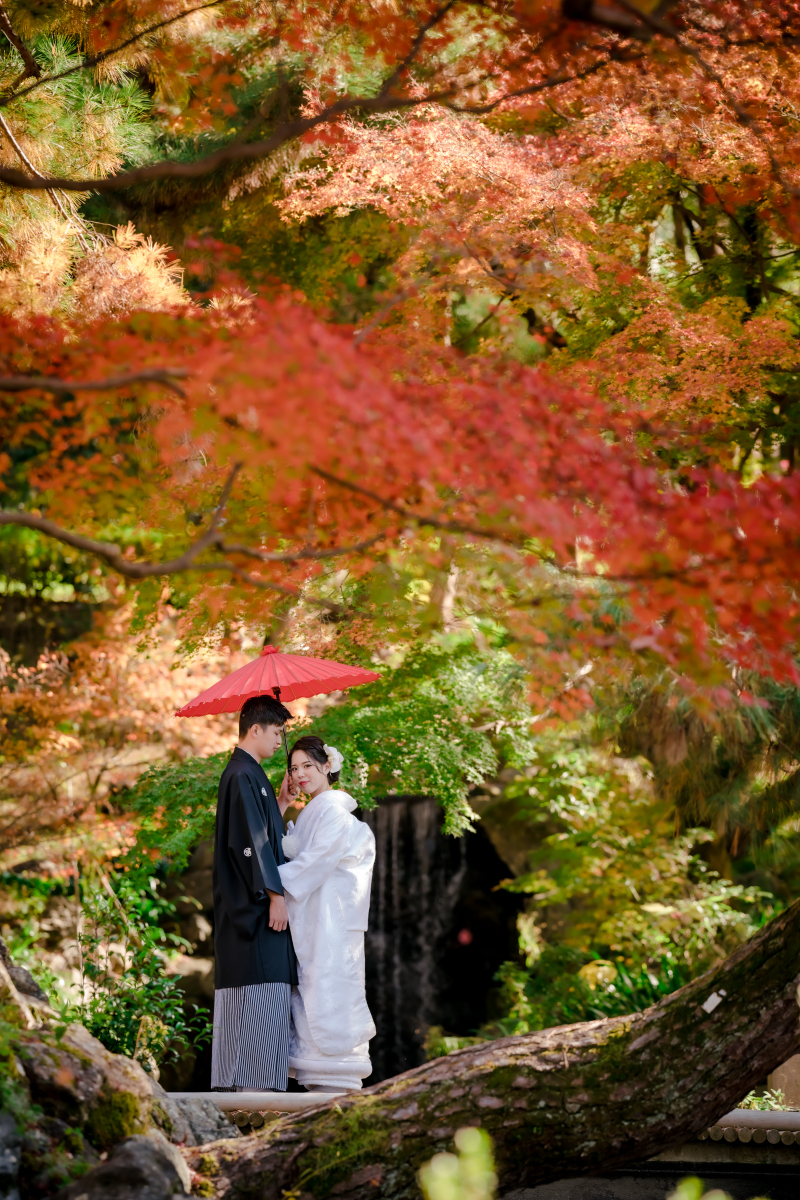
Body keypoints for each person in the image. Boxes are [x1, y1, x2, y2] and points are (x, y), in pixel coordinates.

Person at [210, 693, 298, 1092]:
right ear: (256, 729)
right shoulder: (242, 774)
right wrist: (275, 895)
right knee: (263, 989)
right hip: (256, 908)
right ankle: (254, 1092)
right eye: (276, 732)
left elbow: (259, 830)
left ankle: (244, 1090)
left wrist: (281, 801)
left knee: (255, 993)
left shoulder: (248, 772)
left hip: (252, 904)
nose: (280, 740)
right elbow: (251, 843)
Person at [279, 735, 376, 1092]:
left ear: (327, 766)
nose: (300, 774)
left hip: (331, 921)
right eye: (294, 768)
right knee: (314, 987)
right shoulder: (313, 812)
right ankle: (321, 1076)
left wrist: (267, 882)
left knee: (331, 987)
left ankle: (335, 1074)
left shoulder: (333, 812)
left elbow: (313, 864)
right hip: (320, 919)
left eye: (307, 765)